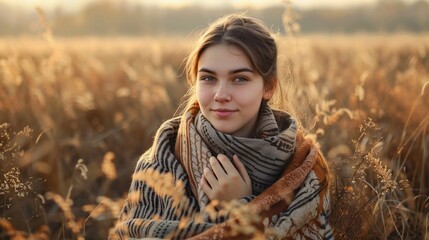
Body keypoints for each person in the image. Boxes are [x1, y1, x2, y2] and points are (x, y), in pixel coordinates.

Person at [109, 13, 332, 239]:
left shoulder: (302, 167)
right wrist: (244, 215)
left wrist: (240, 206)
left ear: (268, 87)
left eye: (240, 79)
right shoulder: (162, 158)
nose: (221, 95)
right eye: (208, 78)